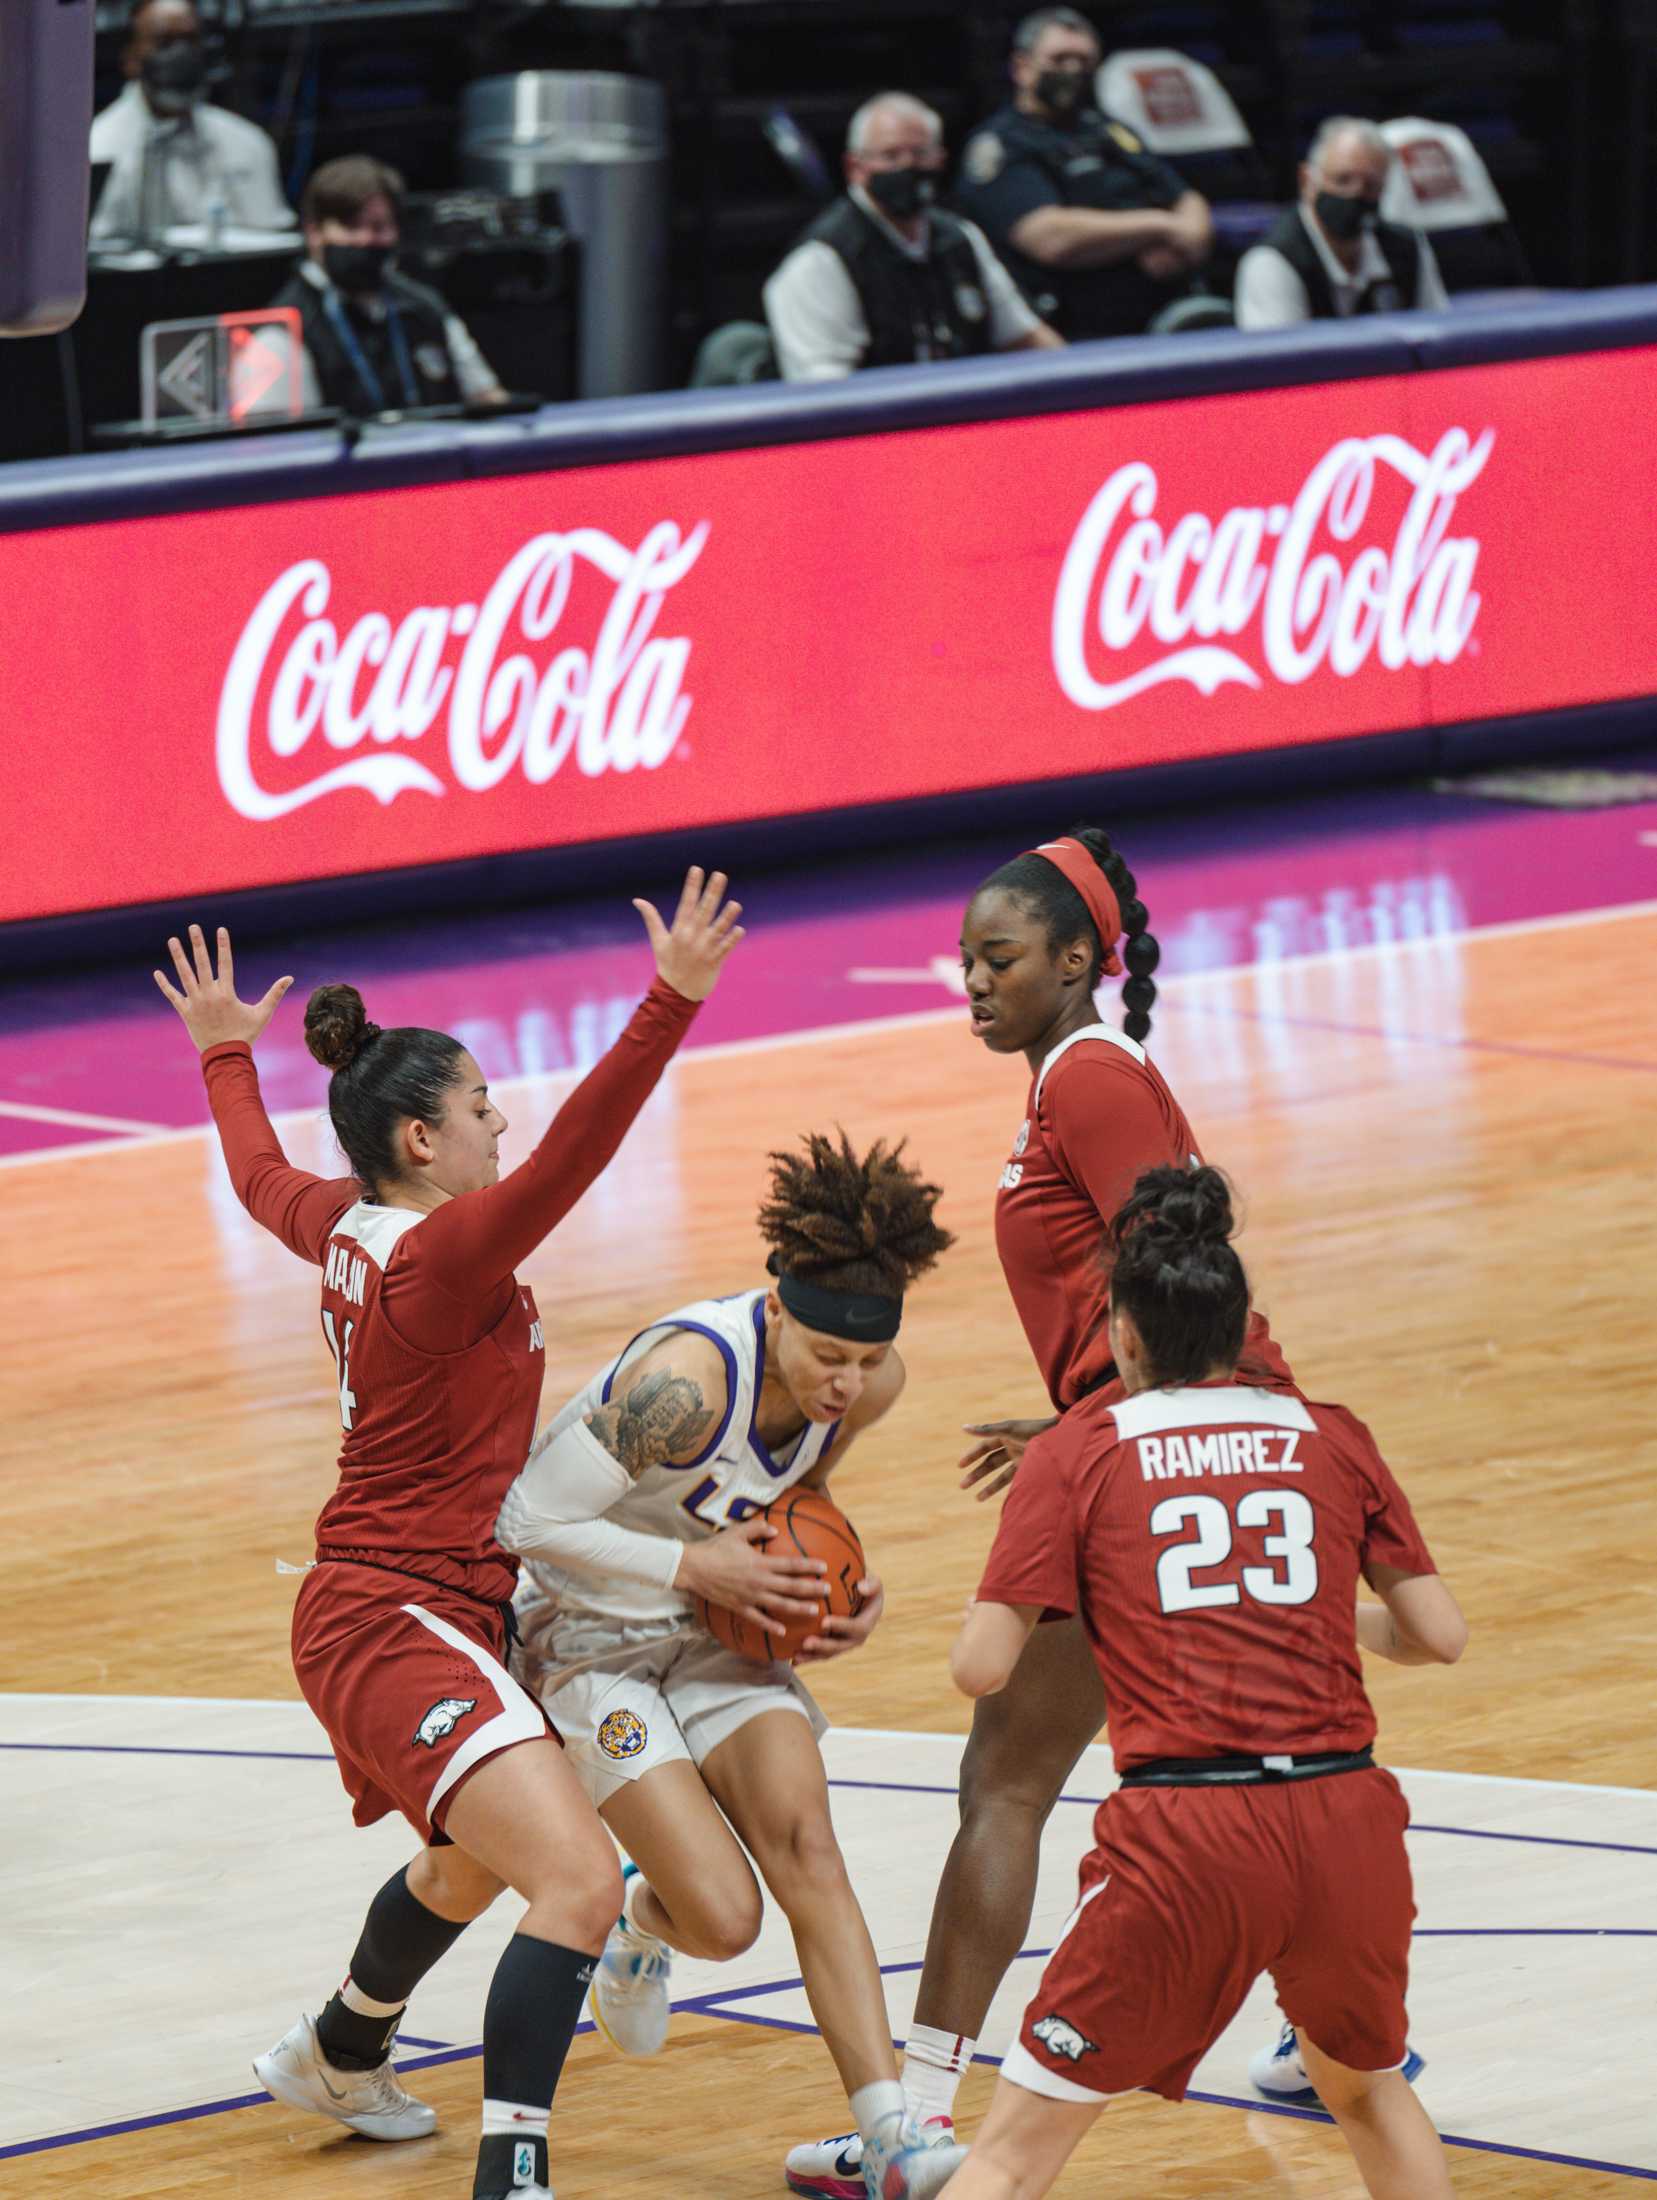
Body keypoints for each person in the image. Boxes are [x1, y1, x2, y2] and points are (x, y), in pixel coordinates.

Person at [783, 827, 1415, 2194]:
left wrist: (1119, 1436)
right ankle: (1342, 2038)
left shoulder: (1090, 1076)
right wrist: (1086, 1418)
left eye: (998, 958)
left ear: (1077, 960)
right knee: (1279, 1755)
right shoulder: (1072, 1079)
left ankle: (920, 2125)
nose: (972, 980)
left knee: (1006, 1778)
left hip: (1186, 1444)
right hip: (1174, 1432)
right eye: (962, 960)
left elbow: (1184, 1276)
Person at [151, 869, 741, 2200]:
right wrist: (669, 1003)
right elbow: (578, 1152)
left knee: (480, 1857)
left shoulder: (346, 1224)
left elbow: (256, 1176)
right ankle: (513, 2173)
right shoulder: (444, 1258)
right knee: (582, 1881)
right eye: (479, 1109)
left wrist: (225, 1052)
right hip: (390, 1612)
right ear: (421, 1142)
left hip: (426, 1602)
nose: (500, 1125)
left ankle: (341, 2047)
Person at [937, 1165, 1467, 2200]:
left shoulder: (1079, 1449)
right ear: (1238, 1332)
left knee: (1010, 2151)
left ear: (1122, 1337)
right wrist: (1288, 1607)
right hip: (1344, 1824)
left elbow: (979, 1665)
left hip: (1191, 1837)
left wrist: (1126, 1595)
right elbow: (1434, 1636)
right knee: (1363, 2089)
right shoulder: (1330, 1430)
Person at [496, 1132, 965, 2200]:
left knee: (808, 1843)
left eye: (864, 1360)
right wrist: (694, 1565)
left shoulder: (870, 1383)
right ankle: (642, 1919)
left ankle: (890, 2133)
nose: (846, 1382)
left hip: (717, 1623)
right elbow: (525, 1515)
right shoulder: (685, 1381)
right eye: (825, 1358)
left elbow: (796, 1501)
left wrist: (842, 1586)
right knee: (725, 1917)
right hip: (588, 1634)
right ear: (776, 1310)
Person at [954, 9, 1214, 342]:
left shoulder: (1107, 129)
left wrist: (1190, 240)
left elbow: (1185, 197)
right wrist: (1160, 227)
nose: (1073, 70)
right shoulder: (1001, 145)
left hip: (1165, 315)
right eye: (1060, 59)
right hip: (1076, 331)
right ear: (1022, 67)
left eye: (1084, 61)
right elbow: (1049, 237)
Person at [764, 92, 1062, 380]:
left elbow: (1026, 338)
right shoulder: (821, 261)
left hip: (961, 417)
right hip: (877, 425)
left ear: (941, 160)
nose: (908, 167)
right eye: (890, 156)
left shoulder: (961, 239)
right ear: (855, 167)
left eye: (920, 154)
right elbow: (823, 396)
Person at [269, 156, 507, 417]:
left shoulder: (424, 307)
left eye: (379, 227)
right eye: (350, 226)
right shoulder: (284, 328)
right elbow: (283, 446)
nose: (365, 239)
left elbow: (489, 398)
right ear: (314, 233)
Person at [90, 0, 294, 245]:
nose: (181, 54)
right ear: (130, 58)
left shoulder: (248, 142)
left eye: (191, 40)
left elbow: (273, 241)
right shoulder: (98, 148)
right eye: (164, 42)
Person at [1235, 117, 1449, 330]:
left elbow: (1437, 333)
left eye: (1371, 185)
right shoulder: (1272, 261)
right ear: (1306, 181)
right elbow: (1281, 358)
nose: (1355, 193)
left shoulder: (1408, 246)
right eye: (1342, 180)